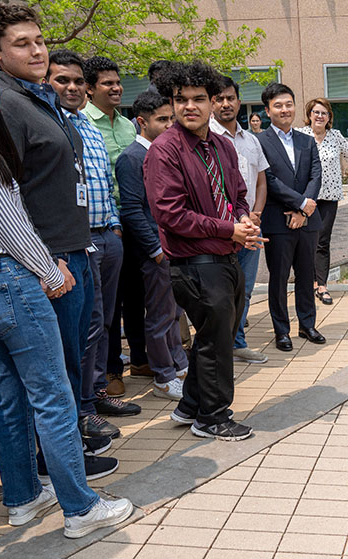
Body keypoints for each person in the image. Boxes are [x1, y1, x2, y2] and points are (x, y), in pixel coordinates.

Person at [0, 38, 132, 539]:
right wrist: (49, 270)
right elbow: (8, 221)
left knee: (13, 396)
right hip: (5, 277)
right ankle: (80, 508)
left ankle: (22, 497)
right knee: (54, 397)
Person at [0, 0, 118, 479]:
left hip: (73, 250)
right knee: (45, 380)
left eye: (39, 40)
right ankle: (52, 471)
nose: (37, 50)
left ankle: (50, 466)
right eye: (23, 43)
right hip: (47, 262)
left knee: (67, 366)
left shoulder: (40, 98)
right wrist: (44, 262)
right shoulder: (4, 105)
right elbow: (4, 198)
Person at [144, 60, 265, 441]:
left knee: (221, 335)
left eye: (199, 99)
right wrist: (230, 229)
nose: (190, 106)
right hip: (194, 264)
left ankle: (191, 404)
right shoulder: (164, 151)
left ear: (213, 102)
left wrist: (244, 220)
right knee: (216, 342)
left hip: (227, 258)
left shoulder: (223, 146)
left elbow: (238, 194)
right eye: (181, 100)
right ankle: (212, 417)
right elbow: (171, 214)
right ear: (173, 103)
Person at [47, 49, 142, 440]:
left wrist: (116, 226)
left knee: (104, 323)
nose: (71, 88)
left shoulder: (84, 126)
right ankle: (82, 408)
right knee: (83, 328)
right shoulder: (52, 124)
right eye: (61, 81)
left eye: (75, 81)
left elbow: (104, 181)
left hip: (108, 233)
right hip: (75, 243)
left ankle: (96, 392)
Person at [118, 91, 189, 400]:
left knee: (173, 311)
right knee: (159, 315)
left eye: (171, 118)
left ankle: (178, 363)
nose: (170, 125)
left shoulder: (167, 152)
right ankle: (162, 375)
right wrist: (156, 249)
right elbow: (133, 210)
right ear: (141, 122)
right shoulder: (132, 158)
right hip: (154, 251)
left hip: (175, 246)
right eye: (163, 120)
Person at [82, 55, 145, 398]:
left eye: (117, 82)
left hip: (131, 221)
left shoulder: (127, 125)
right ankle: (109, 371)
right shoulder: (83, 124)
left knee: (136, 294)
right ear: (90, 90)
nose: (116, 87)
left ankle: (140, 357)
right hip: (107, 226)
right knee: (109, 304)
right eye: (107, 83)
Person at [257, 83, 325, 351]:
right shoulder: (260, 141)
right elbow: (268, 180)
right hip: (278, 221)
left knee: (307, 275)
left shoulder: (306, 140)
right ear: (267, 110)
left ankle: (307, 324)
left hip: (307, 221)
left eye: (288, 104)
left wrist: (303, 210)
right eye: (278, 105)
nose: (285, 109)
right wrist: (298, 204)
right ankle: (281, 330)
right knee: (279, 278)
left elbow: (315, 175)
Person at [211, 77, 271, 364]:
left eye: (230, 98)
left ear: (238, 100)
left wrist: (256, 213)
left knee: (244, 288)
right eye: (219, 98)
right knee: (219, 290)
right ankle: (217, 345)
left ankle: (237, 342)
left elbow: (261, 181)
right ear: (212, 102)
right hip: (219, 229)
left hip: (249, 225)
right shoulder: (206, 137)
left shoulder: (251, 140)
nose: (225, 104)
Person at [296, 97, 348, 306]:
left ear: (329, 117)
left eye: (324, 113)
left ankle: (322, 284)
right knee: (304, 242)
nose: (319, 116)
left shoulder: (335, 136)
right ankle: (307, 283)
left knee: (322, 240)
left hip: (329, 197)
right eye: (316, 112)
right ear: (309, 115)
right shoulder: (301, 135)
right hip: (305, 197)